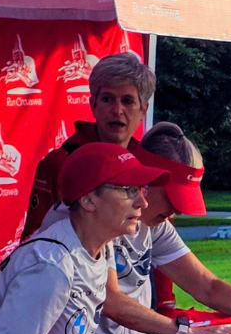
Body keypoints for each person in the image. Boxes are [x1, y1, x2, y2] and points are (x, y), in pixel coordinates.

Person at [37, 123, 231, 334]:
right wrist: (186, 332)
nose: (177, 211)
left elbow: (205, 284)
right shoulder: (91, 219)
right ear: (146, 179)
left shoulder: (154, 225)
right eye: (171, 199)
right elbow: (110, 300)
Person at [0, 142, 168, 334]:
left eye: (141, 189)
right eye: (129, 190)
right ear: (88, 200)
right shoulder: (51, 267)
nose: (143, 202)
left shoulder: (97, 252)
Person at [26, 53, 153, 239]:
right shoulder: (60, 164)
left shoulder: (148, 168)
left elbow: (160, 239)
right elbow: (35, 240)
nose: (117, 110)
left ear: (143, 110)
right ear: (93, 105)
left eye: (127, 101)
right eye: (107, 99)